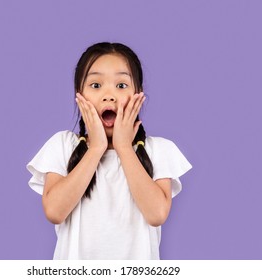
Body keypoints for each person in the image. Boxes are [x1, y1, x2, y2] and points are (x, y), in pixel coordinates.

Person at [26, 42, 192, 259]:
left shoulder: (159, 149)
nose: (109, 95)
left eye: (121, 85)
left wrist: (124, 147)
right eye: (95, 85)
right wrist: (96, 148)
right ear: (79, 96)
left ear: (138, 95)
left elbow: (157, 214)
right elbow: (55, 212)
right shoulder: (63, 145)